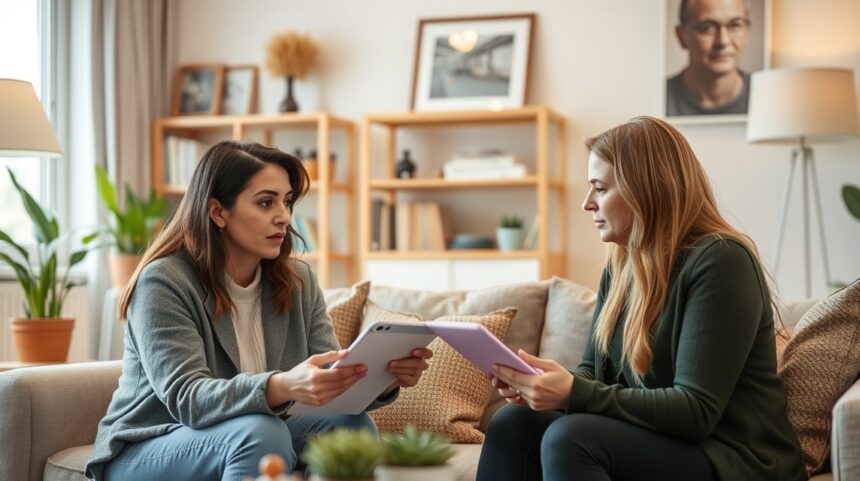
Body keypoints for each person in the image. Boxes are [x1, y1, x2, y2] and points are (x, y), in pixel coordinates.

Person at [475, 117, 806, 481]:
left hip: (736, 458)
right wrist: (545, 384)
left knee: (570, 438)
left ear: (644, 189)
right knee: (513, 422)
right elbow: (592, 372)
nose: (587, 203)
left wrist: (573, 393)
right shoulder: (619, 268)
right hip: (667, 442)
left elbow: (695, 412)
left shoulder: (721, 261)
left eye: (599, 188)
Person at [85, 141, 432, 481]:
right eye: (266, 202)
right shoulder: (163, 282)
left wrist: (379, 379)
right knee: (260, 433)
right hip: (152, 443)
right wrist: (280, 386)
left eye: (287, 201)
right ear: (218, 212)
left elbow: (326, 379)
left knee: (350, 426)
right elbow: (188, 399)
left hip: (256, 430)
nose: (283, 216)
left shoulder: (299, 282)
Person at [666, 0, 753, 116]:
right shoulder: (655, 99)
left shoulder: (768, 98)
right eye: (707, 28)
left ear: (747, 32)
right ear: (681, 36)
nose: (723, 41)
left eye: (734, 25)